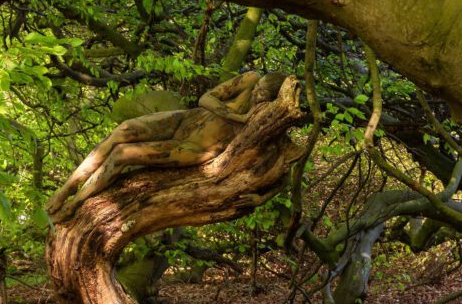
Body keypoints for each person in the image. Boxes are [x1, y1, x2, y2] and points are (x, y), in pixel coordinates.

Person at [47, 72, 289, 217]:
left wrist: (261, 199)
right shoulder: (249, 79)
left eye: (263, 95)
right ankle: (65, 190)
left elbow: (286, 168)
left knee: (122, 153)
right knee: (124, 129)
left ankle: (75, 205)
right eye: (258, 89)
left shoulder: (270, 120)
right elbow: (205, 98)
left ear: (275, 100)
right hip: (187, 119)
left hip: (195, 149)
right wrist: (238, 116)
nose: (257, 94)